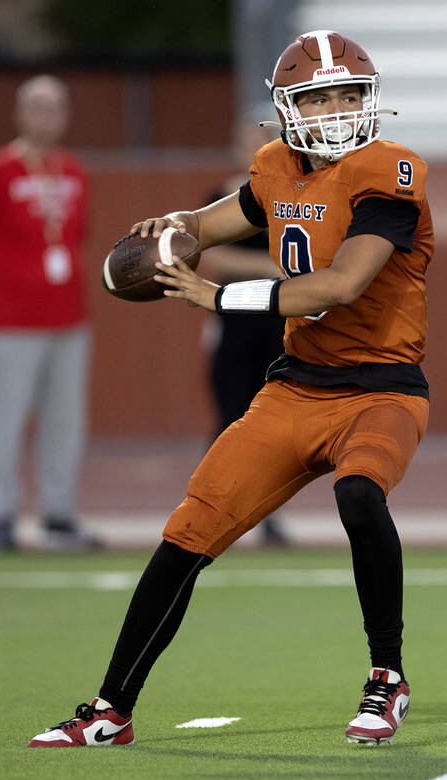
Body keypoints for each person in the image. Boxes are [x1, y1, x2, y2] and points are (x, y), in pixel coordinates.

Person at [28, 30, 434, 748]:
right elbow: (213, 222)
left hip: (382, 387)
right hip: (295, 390)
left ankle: (387, 678)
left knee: (359, 492)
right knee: (188, 532)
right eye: (319, 96)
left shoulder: (389, 171)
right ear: (288, 108)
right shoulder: (275, 166)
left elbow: (340, 285)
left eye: (349, 94)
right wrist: (173, 230)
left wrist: (216, 297)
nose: (337, 108)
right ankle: (110, 710)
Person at [0, 75, 99, 552]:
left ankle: (58, 514)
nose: (49, 115)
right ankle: (0, 516)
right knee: (5, 418)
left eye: (57, 107)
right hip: (11, 319)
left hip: (69, 317)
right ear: (19, 114)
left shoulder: (74, 171)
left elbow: (78, 235)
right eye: (38, 107)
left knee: (65, 420)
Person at [200, 112, 290, 546]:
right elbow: (216, 260)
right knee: (230, 419)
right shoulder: (222, 197)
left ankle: (266, 515)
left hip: (278, 324)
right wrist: (269, 269)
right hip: (235, 321)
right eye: (249, 143)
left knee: (272, 424)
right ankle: (209, 509)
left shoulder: (291, 198)